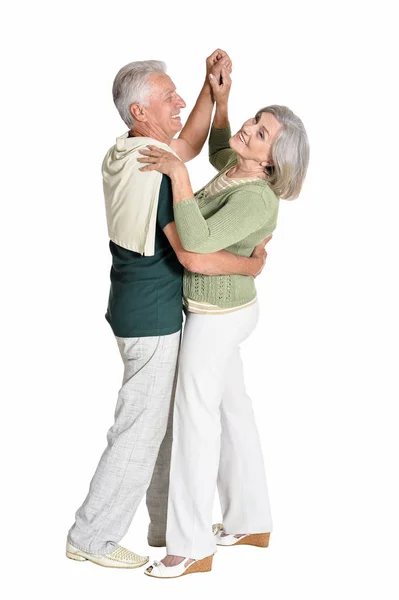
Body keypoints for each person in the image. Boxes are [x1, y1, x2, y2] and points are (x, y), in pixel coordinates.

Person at [66, 51, 269, 569]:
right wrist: (250, 266)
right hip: (153, 316)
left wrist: (209, 88)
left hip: (135, 306)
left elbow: (191, 145)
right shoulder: (155, 174)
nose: (179, 102)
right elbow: (192, 252)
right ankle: (91, 537)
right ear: (139, 112)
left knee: (160, 423)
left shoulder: (131, 150)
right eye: (168, 96)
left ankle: (163, 525)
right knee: (139, 427)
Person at [139, 62, 310, 578]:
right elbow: (221, 151)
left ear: (271, 163)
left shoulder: (257, 197)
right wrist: (222, 98)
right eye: (255, 120)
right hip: (229, 310)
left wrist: (179, 175)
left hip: (217, 319)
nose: (248, 130)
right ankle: (250, 519)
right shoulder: (240, 169)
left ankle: (189, 546)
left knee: (195, 420)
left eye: (259, 134)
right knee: (234, 413)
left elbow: (194, 240)